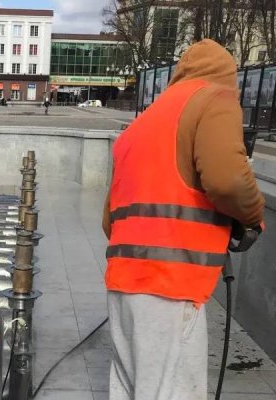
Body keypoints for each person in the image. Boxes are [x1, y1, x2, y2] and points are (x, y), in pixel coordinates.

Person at [103, 39, 265, 400]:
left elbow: (108, 218)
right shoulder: (214, 98)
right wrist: (252, 217)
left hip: (122, 285)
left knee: (130, 388)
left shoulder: (142, 125)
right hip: (171, 287)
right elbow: (228, 181)